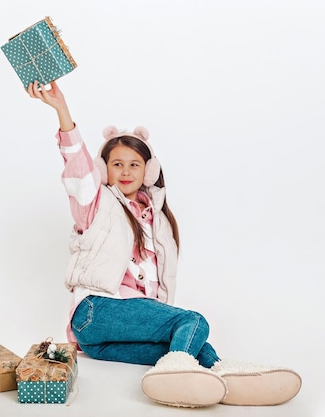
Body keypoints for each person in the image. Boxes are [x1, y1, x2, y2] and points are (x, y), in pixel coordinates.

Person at [26, 80, 302, 408]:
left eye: (134, 164)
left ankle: (227, 379)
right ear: (105, 169)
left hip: (104, 340)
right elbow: (79, 173)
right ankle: (179, 374)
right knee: (192, 321)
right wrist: (63, 112)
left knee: (185, 344)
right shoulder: (96, 204)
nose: (126, 171)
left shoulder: (157, 218)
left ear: (148, 170)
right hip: (96, 311)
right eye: (117, 164)